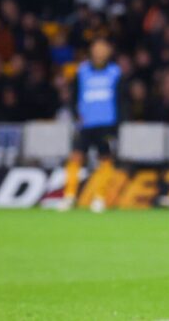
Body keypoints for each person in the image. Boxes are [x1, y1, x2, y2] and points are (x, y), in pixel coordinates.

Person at [59, 38, 123, 213]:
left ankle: (100, 198)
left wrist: (118, 125)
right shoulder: (82, 71)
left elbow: (121, 100)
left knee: (105, 160)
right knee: (75, 157)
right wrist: (75, 115)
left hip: (106, 124)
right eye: (97, 48)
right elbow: (74, 96)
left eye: (104, 48)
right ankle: (69, 196)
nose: (100, 52)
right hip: (86, 124)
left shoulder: (115, 72)